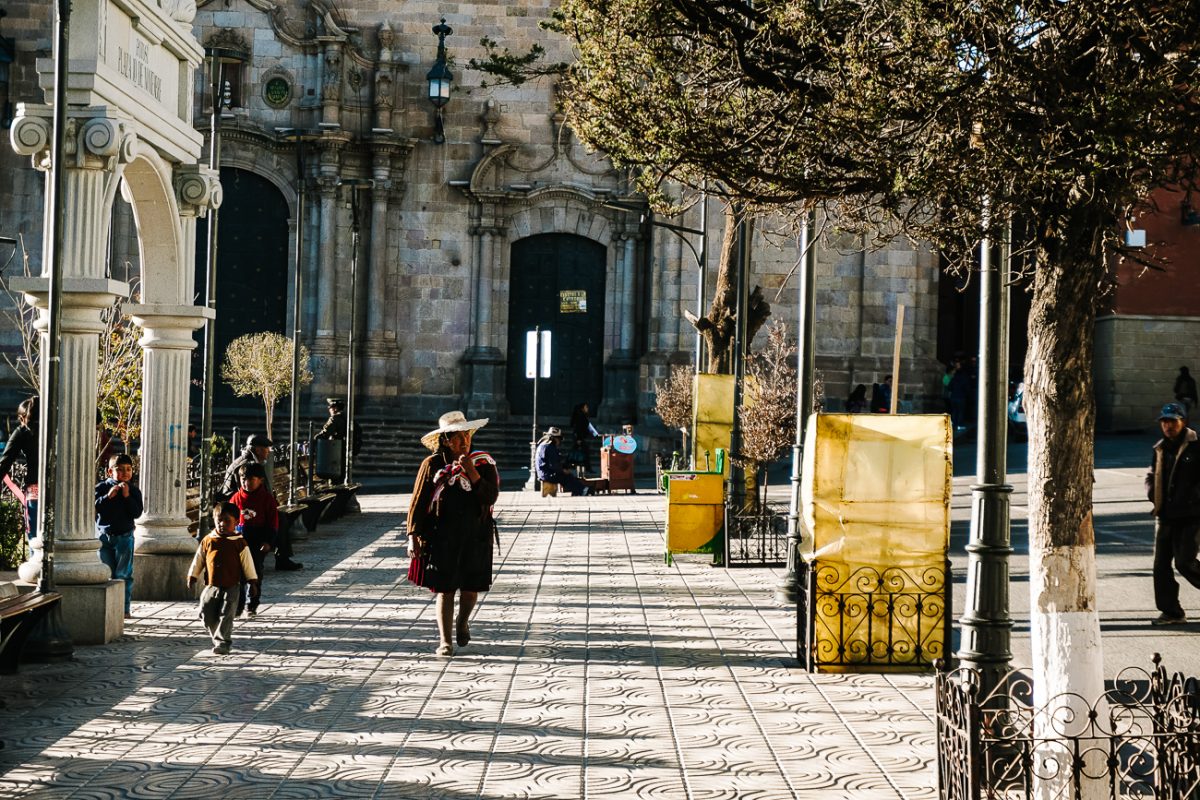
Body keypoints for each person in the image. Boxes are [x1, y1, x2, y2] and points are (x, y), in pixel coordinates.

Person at [407, 411, 499, 657]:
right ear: (446, 440)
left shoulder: (483, 463)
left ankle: (463, 621)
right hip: (442, 536)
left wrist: (472, 472)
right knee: (445, 589)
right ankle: (445, 641)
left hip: (476, 535)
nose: (464, 442)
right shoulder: (432, 465)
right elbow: (418, 501)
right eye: (458, 438)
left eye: (467, 436)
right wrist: (412, 535)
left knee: (470, 590)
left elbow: (490, 496)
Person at [1145, 402, 1200, 625]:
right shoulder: (1160, 448)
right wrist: (1151, 491)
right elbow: (1151, 474)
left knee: (1185, 562)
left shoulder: (1196, 447)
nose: (1168, 426)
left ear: (1183, 422)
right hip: (1165, 515)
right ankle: (1172, 612)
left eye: (1172, 421)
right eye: (1164, 422)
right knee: (1161, 566)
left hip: (1191, 515)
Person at [187, 501, 259, 655]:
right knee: (205, 613)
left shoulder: (239, 543)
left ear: (236, 522)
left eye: (227, 520)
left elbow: (248, 564)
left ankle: (223, 642)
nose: (222, 524)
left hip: (233, 585)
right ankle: (217, 636)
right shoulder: (208, 540)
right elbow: (199, 558)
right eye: (219, 520)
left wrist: (252, 582)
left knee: (227, 614)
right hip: (212, 585)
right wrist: (193, 575)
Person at [94, 453, 143, 619]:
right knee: (106, 574)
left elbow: (136, 513)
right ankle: (108, 609)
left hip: (125, 537)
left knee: (123, 574)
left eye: (128, 469)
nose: (125, 473)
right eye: (120, 470)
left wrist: (127, 496)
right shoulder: (101, 487)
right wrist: (108, 497)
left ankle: (124, 608)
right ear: (110, 472)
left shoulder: (134, 490)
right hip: (104, 537)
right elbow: (96, 507)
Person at [230, 462, 279, 618]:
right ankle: (238, 605)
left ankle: (252, 603)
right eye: (243, 479)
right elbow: (229, 519)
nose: (246, 482)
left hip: (258, 541)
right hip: (240, 541)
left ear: (261, 480)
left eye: (251, 479)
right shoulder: (236, 498)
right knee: (239, 576)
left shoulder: (267, 499)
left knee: (255, 573)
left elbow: (273, 523)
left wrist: (268, 542)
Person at [0, 397, 39, 542]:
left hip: (35, 491)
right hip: (61, 491)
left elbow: (5, 462)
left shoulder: (22, 432)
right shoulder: (55, 427)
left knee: (35, 539)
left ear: (23, 417)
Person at [535, 426, 589, 496]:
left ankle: (578, 490)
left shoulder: (543, 445)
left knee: (566, 475)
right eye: (559, 439)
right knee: (566, 477)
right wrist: (564, 470)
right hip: (547, 474)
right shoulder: (550, 447)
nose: (559, 442)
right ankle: (582, 490)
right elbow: (554, 465)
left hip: (543, 472)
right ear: (554, 438)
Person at [221, 434, 273, 498]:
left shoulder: (248, 461)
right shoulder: (248, 465)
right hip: (236, 504)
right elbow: (245, 493)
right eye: (267, 448)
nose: (268, 451)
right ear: (258, 450)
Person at [570, 402, 598, 474]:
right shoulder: (580, 416)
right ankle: (587, 468)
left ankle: (571, 466)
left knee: (577, 452)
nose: (587, 409)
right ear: (582, 408)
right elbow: (578, 428)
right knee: (584, 453)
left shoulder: (582, 416)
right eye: (586, 407)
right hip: (579, 438)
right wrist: (579, 439)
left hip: (579, 437)